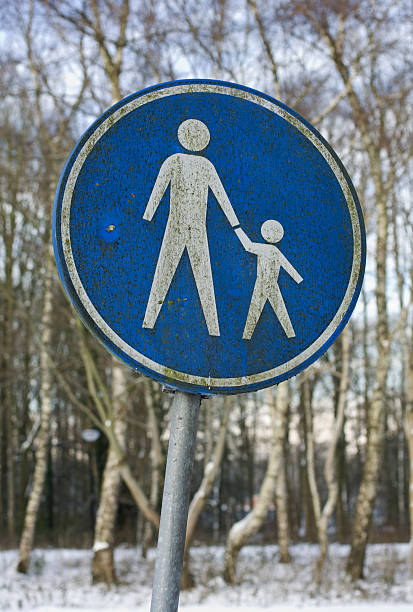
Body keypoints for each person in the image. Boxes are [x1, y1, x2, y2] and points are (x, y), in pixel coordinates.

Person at [142, 119, 239, 336]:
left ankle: (213, 329)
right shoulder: (184, 162)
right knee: (166, 273)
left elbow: (221, 196)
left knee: (201, 275)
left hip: (195, 227)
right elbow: (159, 189)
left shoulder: (186, 162)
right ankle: (150, 321)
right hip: (178, 225)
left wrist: (148, 216)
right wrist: (148, 216)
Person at [235, 220, 303, 340]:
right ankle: (290, 335)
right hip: (268, 283)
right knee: (277, 310)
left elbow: (248, 246)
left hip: (266, 284)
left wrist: (237, 229)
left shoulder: (265, 249)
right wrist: (298, 279)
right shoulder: (273, 250)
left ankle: (246, 337)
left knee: (258, 310)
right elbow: (287, 266)